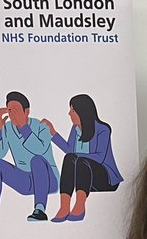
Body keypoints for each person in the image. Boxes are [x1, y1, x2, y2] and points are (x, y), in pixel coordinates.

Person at [0, 91, 59, 223]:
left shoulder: (41, 126)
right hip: (26, 181)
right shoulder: (7, 128)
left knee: (37, 160)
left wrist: (23, 127)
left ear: (27, 111)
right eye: (10, 110)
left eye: (16, 110)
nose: (13, 114)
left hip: (48, 181)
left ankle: (40, 210)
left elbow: (39, 150)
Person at [42, 93, 123, 222]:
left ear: (82, 111)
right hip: (84, 178)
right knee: (69, 158)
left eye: (72, 110)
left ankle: (80, 206)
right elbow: (69, 150)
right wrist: (53, 133)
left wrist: (77, 156)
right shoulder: (75, 129)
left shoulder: (103, 129)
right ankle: (64, 207)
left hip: (105, 178)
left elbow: (100, 157)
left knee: (81, 161)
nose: (69, 113)